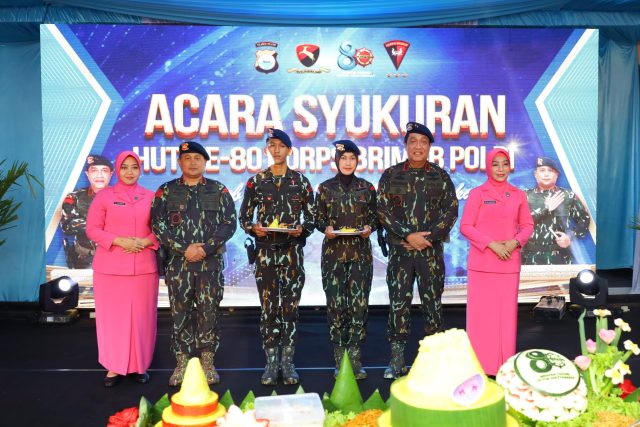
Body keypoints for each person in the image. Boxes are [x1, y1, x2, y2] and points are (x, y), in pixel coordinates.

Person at [151, 141, 237, 386]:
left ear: (205, 162)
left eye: (197, 158)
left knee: (209, 313)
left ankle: (208, 362)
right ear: (180, 162)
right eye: (187, 158)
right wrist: (184, 248)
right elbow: (158, 225)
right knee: (180, 314)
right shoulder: (165, 191)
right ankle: (182, 363)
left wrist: (204, 249)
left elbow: (229, 224)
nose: (192, 162)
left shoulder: (218, 190)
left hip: (209, 266)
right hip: (179, 265)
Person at [377, 122, 459, 379]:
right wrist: (407, 235)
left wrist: (429, 238)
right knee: (398, 304)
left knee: (432, 305)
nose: (418, 146)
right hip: (400, 253)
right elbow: (382, 211)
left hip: (430, 253)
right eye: (413, 141)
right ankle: (397, 360)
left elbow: (451, 211)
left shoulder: (440, 176)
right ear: (406, 145)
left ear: (430, 147)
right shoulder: (391, 175)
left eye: (423, 142)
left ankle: (434, 360)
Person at [239, 128, 315, 386]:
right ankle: (271, 363)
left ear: (289, 150)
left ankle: (288, 363)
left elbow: (313, 217)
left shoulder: (301, 182)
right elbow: (244, 218)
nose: (277, 150)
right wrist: (254, 228)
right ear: (267, 149)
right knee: (269, 309)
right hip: (265, 253)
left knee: (290, 309)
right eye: (272, 145)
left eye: (281, 145)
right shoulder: (256, 181)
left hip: (292, 252)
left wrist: (302, 229)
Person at [86, 151, 159, 387]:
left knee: (142, 318)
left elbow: (161, 229)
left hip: (144, 268)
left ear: (140, 170)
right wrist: (119, 241)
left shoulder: (151, 197)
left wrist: (145, 242)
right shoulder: (104, 196)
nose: (129, 172)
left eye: (134, 167)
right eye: (124, 167)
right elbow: (92, 229)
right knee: (113, 320)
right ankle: (113, 366)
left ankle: (140, 365)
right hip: (110, 269)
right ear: (117, 169)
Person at [460, 148, 534, 376]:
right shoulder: (477, 193)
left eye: (505, 164)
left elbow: (528, 226)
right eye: (495, 164)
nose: (501, 169)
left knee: (505, 319)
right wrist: (492, 244)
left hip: (508, 264)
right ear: (488, 167)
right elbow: (466, 227)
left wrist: (514, 243)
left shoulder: (518, 195)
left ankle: (504, 367)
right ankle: (479, 366)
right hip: (482, 265)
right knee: (481, 319)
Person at [315, 140, 377, 380]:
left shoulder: (367, 188)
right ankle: (340, 359)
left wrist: (370, 227)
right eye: (343, 158)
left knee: (359, 306)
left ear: (357, 161)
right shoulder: (325, 188)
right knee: (336, 306)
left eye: (352, 158)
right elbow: (317, 218)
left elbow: (376, 217)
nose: (348, 163)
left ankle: (355, 359)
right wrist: (326, 228)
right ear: (336, 161)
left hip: (360, 255)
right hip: (333, 255)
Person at [521, 157, 591, 265]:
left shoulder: (567, 195)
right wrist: (546, 209)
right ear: (535, 174)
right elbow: (518, 222)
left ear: (557, 174)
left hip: (559, 257)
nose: (546, 174)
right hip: (529, 257)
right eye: (542, 170)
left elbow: (584, 219)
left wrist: (570, 237)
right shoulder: (524, 196)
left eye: (550, 170)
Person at [61, 154, 113, 268]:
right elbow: (67, 225)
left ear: (111, 174)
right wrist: (100, 223)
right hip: (85, 260)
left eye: (104, 170)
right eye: (94, 170)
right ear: (87, 174)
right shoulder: (75, 197)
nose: (99, 175)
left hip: (117, 259)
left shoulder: (122, 198)